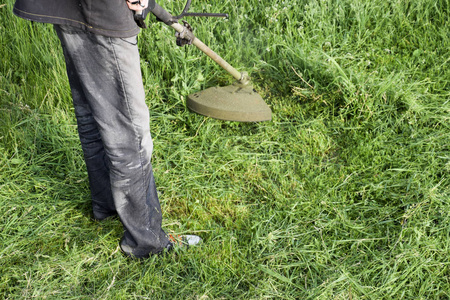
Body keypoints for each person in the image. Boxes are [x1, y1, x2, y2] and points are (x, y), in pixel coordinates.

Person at [13, 0, 201, 259]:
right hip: (103, 11)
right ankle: (146, 241)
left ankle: (109, 204)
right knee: (130, 133)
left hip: (67, 6)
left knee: (94, 112)